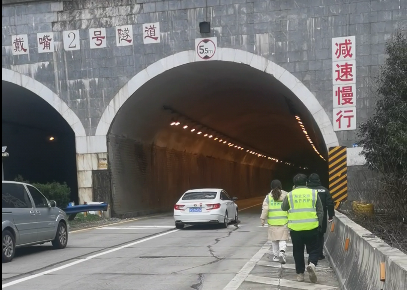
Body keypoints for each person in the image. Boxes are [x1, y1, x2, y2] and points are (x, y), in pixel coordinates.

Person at [281, 174, 323, 283]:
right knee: (314, 249)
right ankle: (312, 264)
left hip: (296, 229)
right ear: (306, 183)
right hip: (312, 227)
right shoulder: (313, 193)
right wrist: (320, 224)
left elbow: (283, 207)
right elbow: (320, 210)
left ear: (294, 184)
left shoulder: (290, 195)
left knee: (298, 251)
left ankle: (300, 274)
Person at [260, 180, 289, 264]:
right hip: (284, 221)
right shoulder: (286, 195)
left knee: (274, 240)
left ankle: (276, 256)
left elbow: (265, 208)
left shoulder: (268, 197)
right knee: (282, 238)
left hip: (272, 222)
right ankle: (282, 252)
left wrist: (262, 219)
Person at [307, 173, 335, 260]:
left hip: (308, 216)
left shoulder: (307, 191)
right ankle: (319, 254)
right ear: (319, 180)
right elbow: (330, 204)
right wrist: (330, 215)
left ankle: (311, 253)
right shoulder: (324, 190)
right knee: (320, 235)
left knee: (310, 235)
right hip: (321, 216)